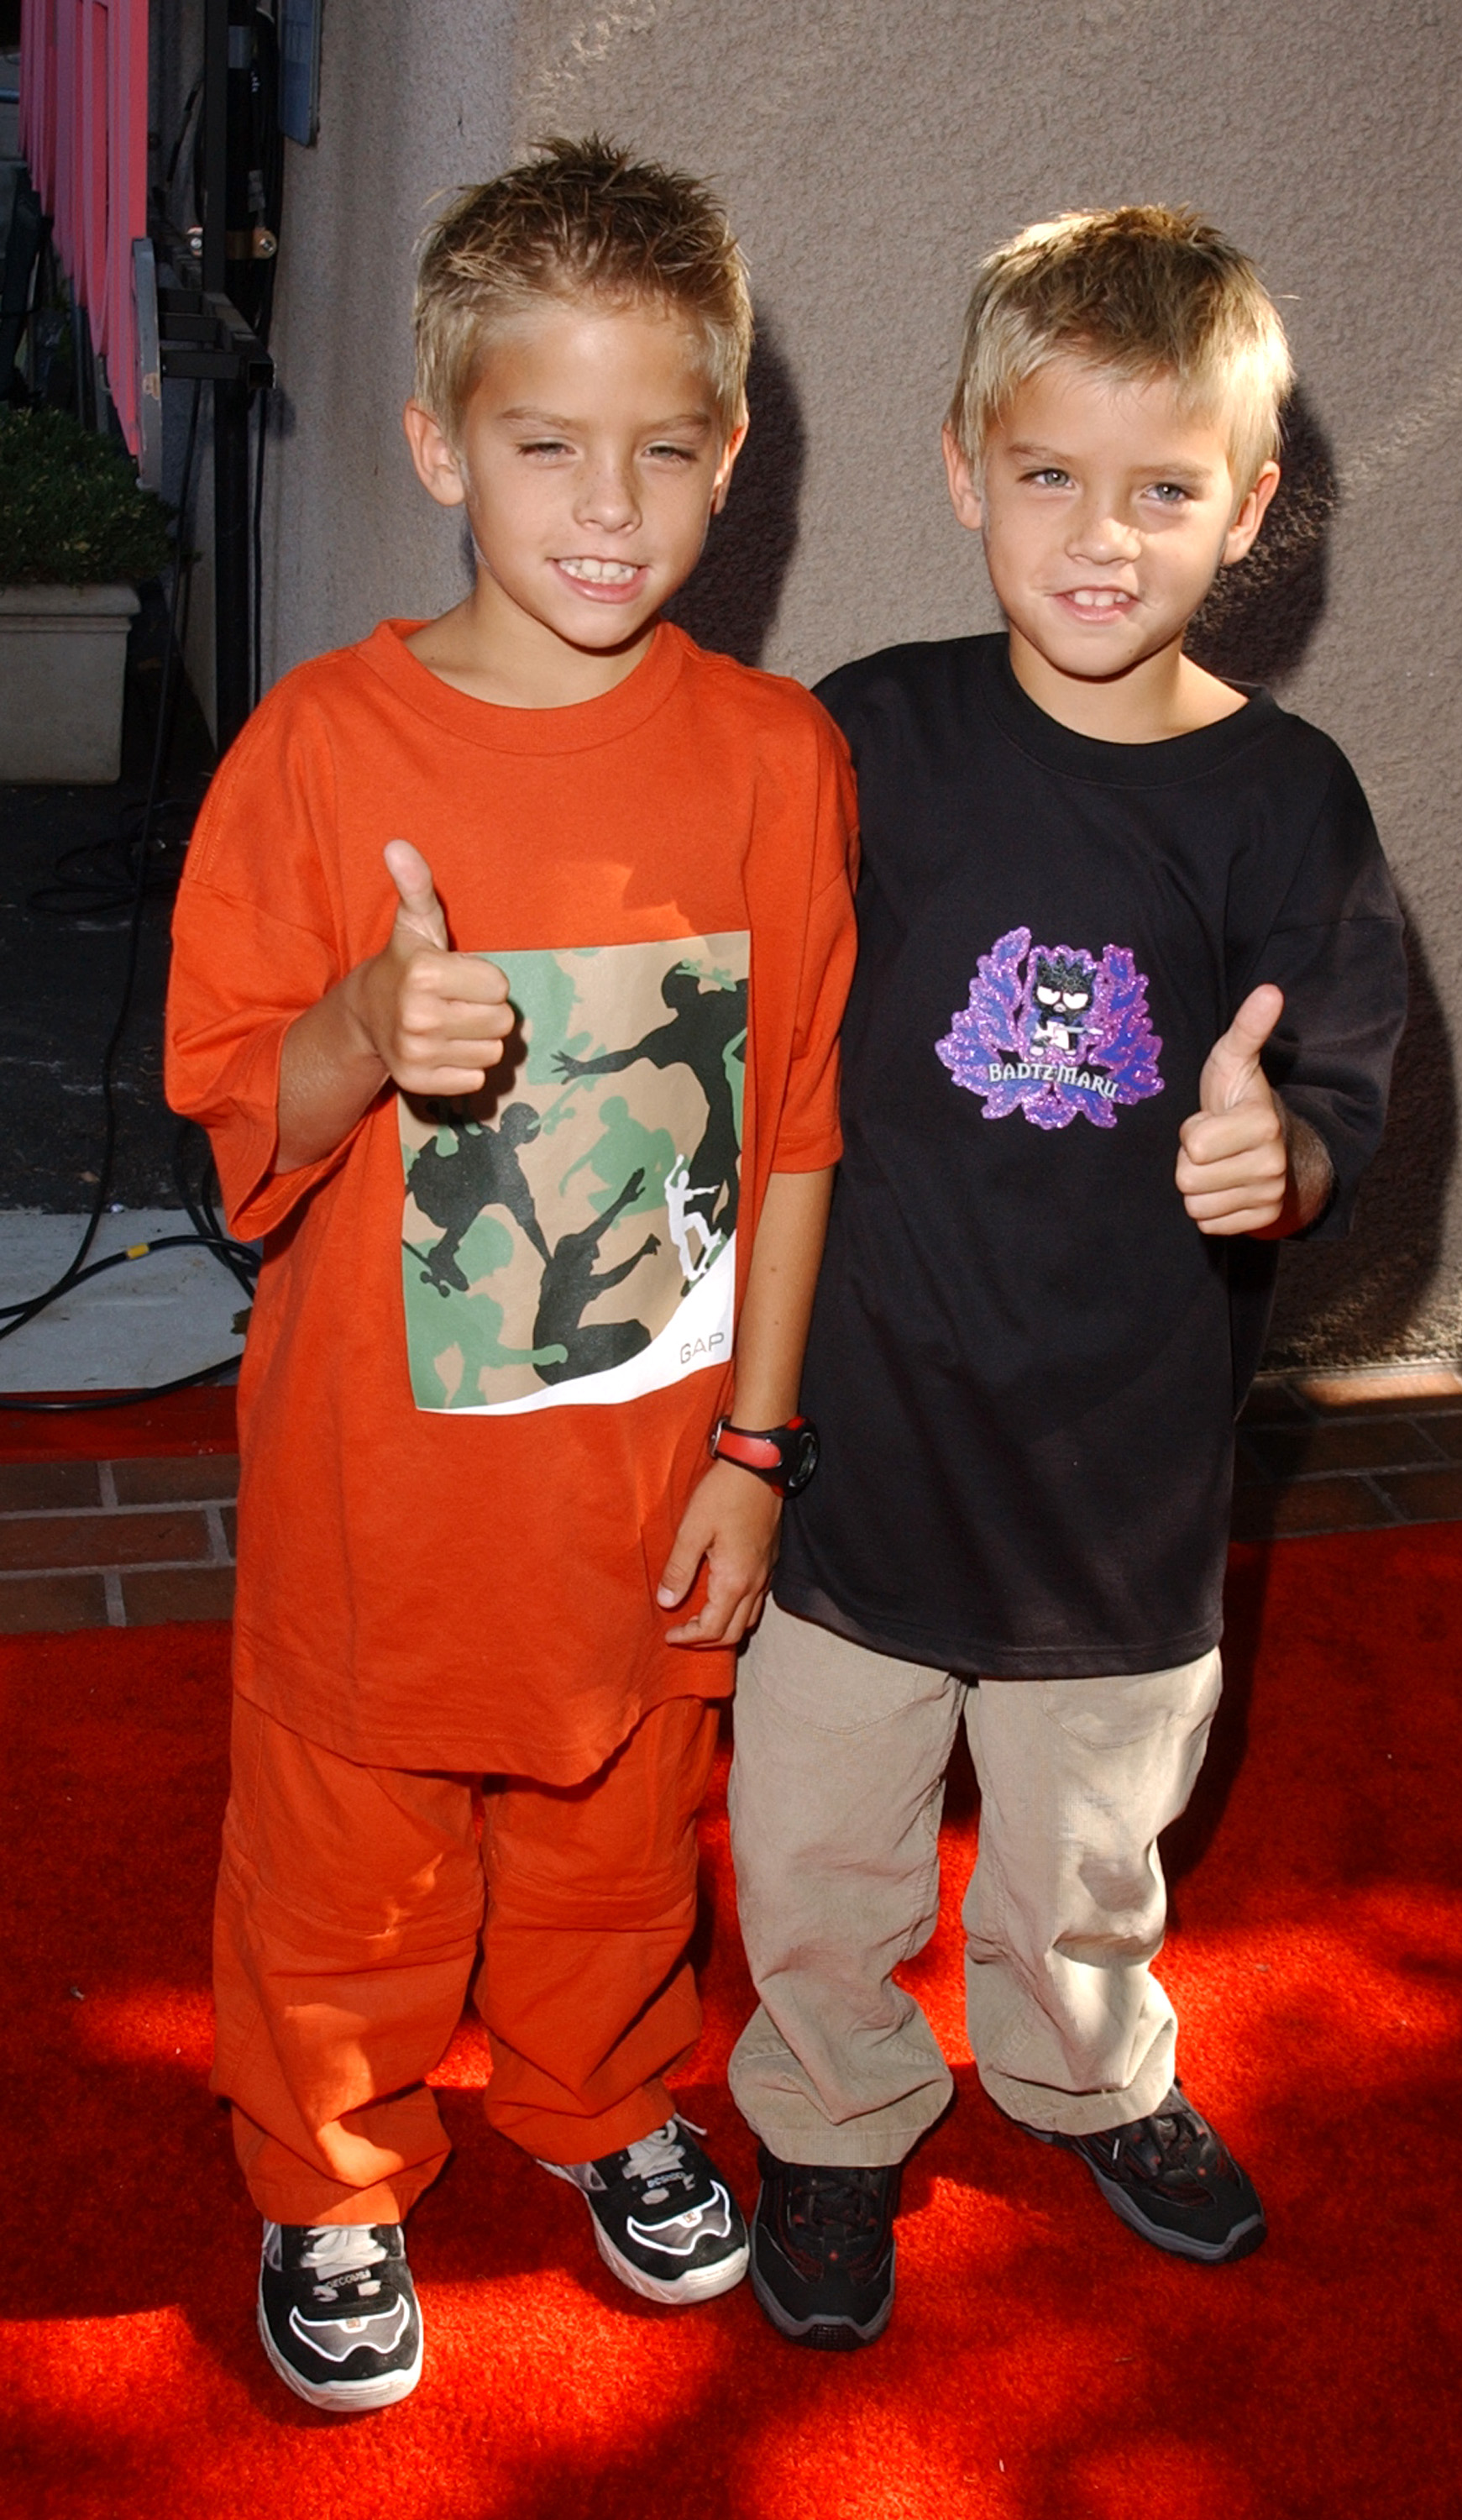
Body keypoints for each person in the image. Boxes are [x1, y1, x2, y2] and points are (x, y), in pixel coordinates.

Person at [166, 137, 856, 2411]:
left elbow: (796, 1128)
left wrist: (757, 1445)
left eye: (662, 449)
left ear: (730, 457)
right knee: (345, 1858)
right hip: (382, 1488)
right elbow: (231, 1105)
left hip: (649, 1471)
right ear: (438, 443)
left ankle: (596, 2093)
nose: (606, 506)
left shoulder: (778, 760)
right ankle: (329, 2170)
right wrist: (366, 1028)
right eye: (545, 443)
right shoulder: (317, 746)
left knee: (620, 1834)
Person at [726, 206, 1407, 2348]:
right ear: (962, 470)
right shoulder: (868, 737)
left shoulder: (1289, 801)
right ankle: (833, 2107)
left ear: (1250, 509)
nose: (1099, 539)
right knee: (813, 1840)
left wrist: (1280, 1155)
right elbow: (746, 989)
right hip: (861, 1443)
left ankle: (1085, 2070)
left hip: (1121, 1473)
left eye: (1161, 490)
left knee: (1090, 1851)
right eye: (1048, 475)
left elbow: (1338, 1097)